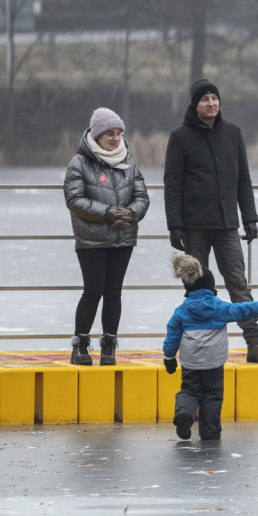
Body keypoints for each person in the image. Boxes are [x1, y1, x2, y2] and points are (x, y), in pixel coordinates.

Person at [162, 77, 258, 364]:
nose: (211, 103)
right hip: (193, 227)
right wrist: (174, 225)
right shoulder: (180, 137)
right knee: (197, 290)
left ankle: (255, 343)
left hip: (227, 226)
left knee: (239, 283)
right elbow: (172, 183)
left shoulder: (233, 134)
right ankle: (198, 346)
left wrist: (249, 217)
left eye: (214, 98)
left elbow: (244, 180)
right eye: (204, 99)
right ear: (195, 104)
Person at [64, 107, 150, 366]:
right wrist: (108, 213)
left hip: (123, 238)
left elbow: (142, 197)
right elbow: (74, 199)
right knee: (93, 291)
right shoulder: (79, 162)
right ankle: (80, 345)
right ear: (97, 135)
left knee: (114, 292)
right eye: (109, 133)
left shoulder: (129, 162)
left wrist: (130, 214)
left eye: (119, 133)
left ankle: (109, 346)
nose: (115, 138)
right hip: (91, 239)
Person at [163, 254, 258, 441]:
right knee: (213, 395)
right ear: (210, 286)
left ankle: (184, 412)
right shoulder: (219, 308)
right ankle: (210, 432)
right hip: (213, 362)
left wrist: (169, 358)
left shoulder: (182, 311)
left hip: (190, 362)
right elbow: (243, 309)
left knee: (189, 391)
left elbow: (172, 336)